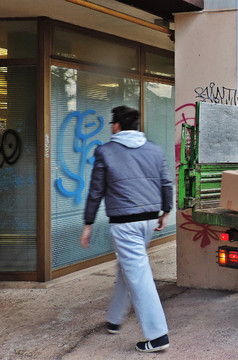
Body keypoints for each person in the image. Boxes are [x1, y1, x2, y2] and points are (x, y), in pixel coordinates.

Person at [80, 105, 173, 353]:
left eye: (113, 123)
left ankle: (158, 336)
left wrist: (88, 224)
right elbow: (166, 182)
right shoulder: (153, 149)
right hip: (148, 221)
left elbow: (96, 190)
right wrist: (165, 212)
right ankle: (114, 319)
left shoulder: (105, 151)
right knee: (128, 267)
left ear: (116, 126)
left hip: (124, 224)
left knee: (139, 276)